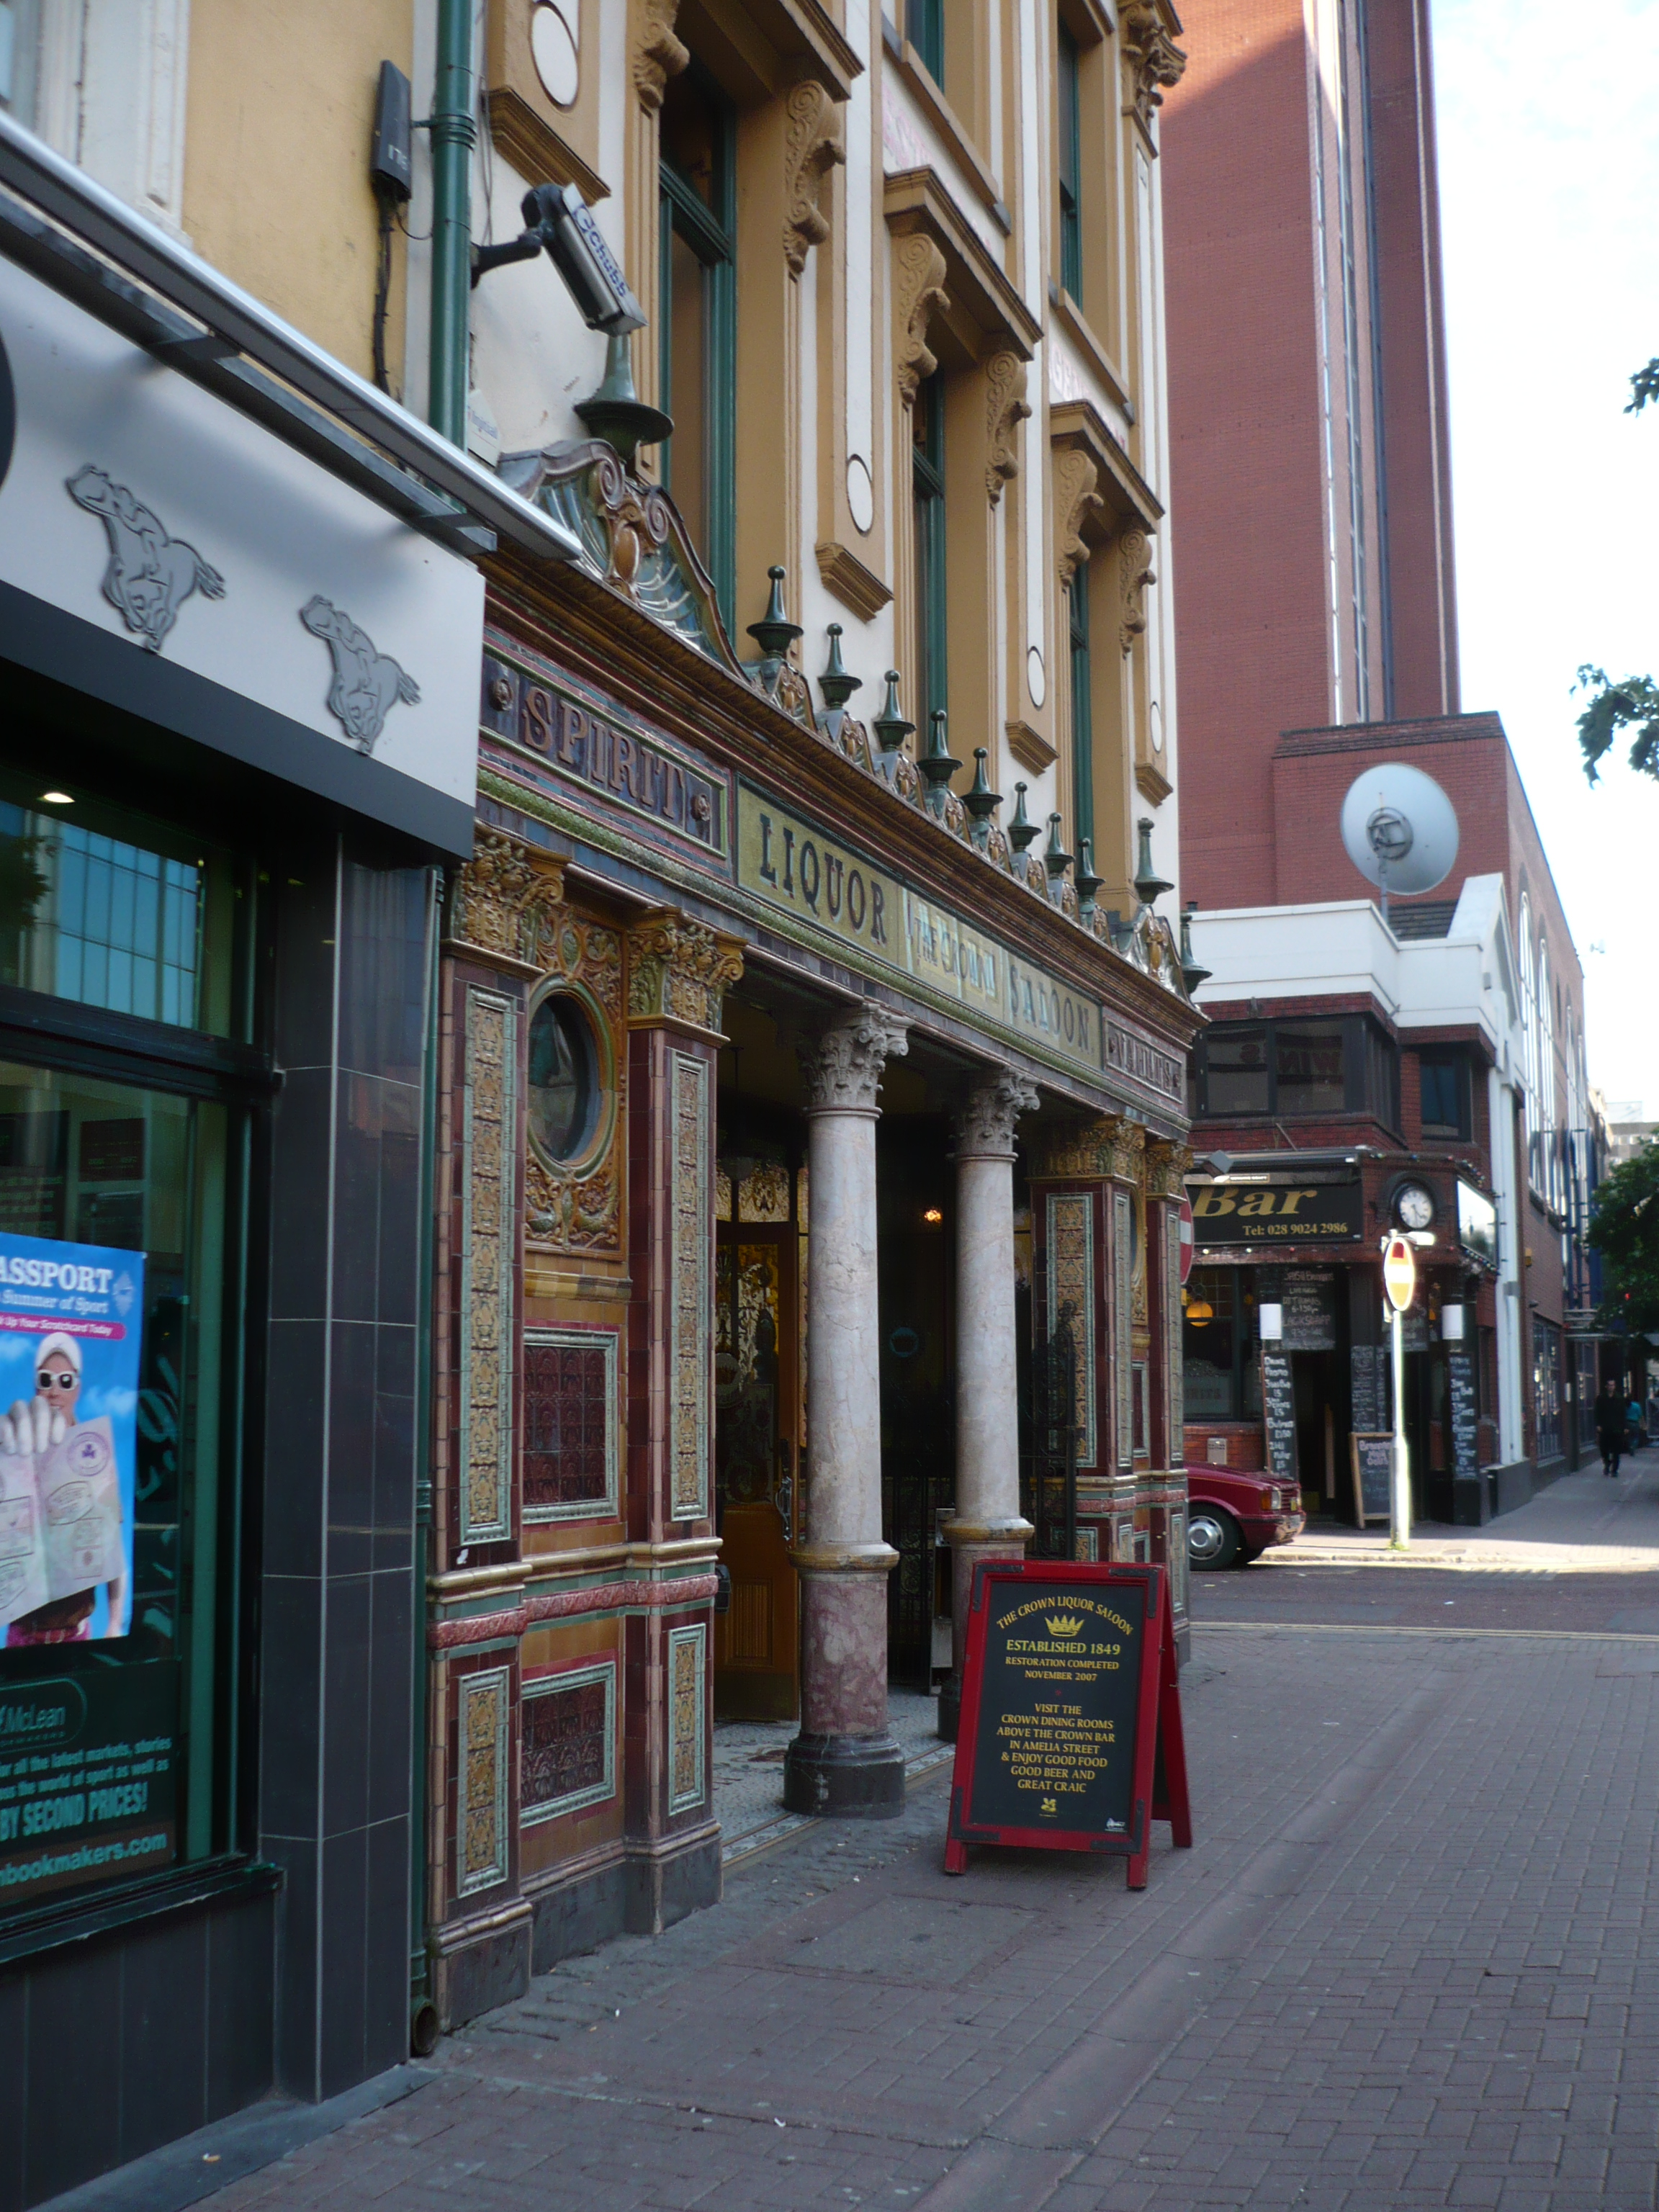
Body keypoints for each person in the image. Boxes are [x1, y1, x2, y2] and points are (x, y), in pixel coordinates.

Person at [1, 1331, 127, 1645]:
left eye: (65, 1381)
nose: (55, 1391)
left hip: (76, 1636)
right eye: (46, 1380)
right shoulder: (13, 1454)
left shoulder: (94, 1457)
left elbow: (113, 1549)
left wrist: (114, 1622)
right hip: (22, 1637)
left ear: (78, 1388)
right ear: (36, 1386)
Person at [1596, 1377, 1627, 1478]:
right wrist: (1598, 1424)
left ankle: (1614, 1470)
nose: (1611, 1387)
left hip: (1617, 1428)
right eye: (1609, 1385)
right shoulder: (1601, 1398)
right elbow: (1597, 1412)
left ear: (1615, 1386)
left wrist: (1625, 1427)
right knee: (1604, 1449)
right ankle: (1607, 1463)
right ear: (1606, 1386)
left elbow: (1623, 1413)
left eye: (1612, 1385)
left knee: (1616, 1451)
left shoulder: (1620, 1398)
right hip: (1605, 1428)